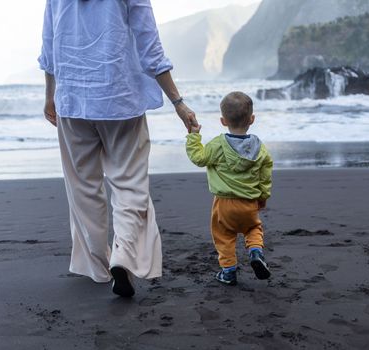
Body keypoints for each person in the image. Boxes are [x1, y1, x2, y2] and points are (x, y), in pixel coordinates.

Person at [38, 0, 198, 297]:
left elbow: (50, 44)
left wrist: (51, 94)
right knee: (129, 182)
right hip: (119, 96)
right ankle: (123, 255)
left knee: (83, 187)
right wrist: (178, 102)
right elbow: (150, 46)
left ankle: (96, 265)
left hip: (72, 97)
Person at [186, 92, 273, 286]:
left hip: (224, 204)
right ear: (252, 119)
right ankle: (256, 252)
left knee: (224, 236)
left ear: (223, 121)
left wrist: (194, 136)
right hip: (250, 202)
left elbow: (199, 158)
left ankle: (228, 272)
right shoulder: (260, 148)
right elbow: (266, 173)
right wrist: (264, 195)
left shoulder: (218, 145)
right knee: (253, 228)